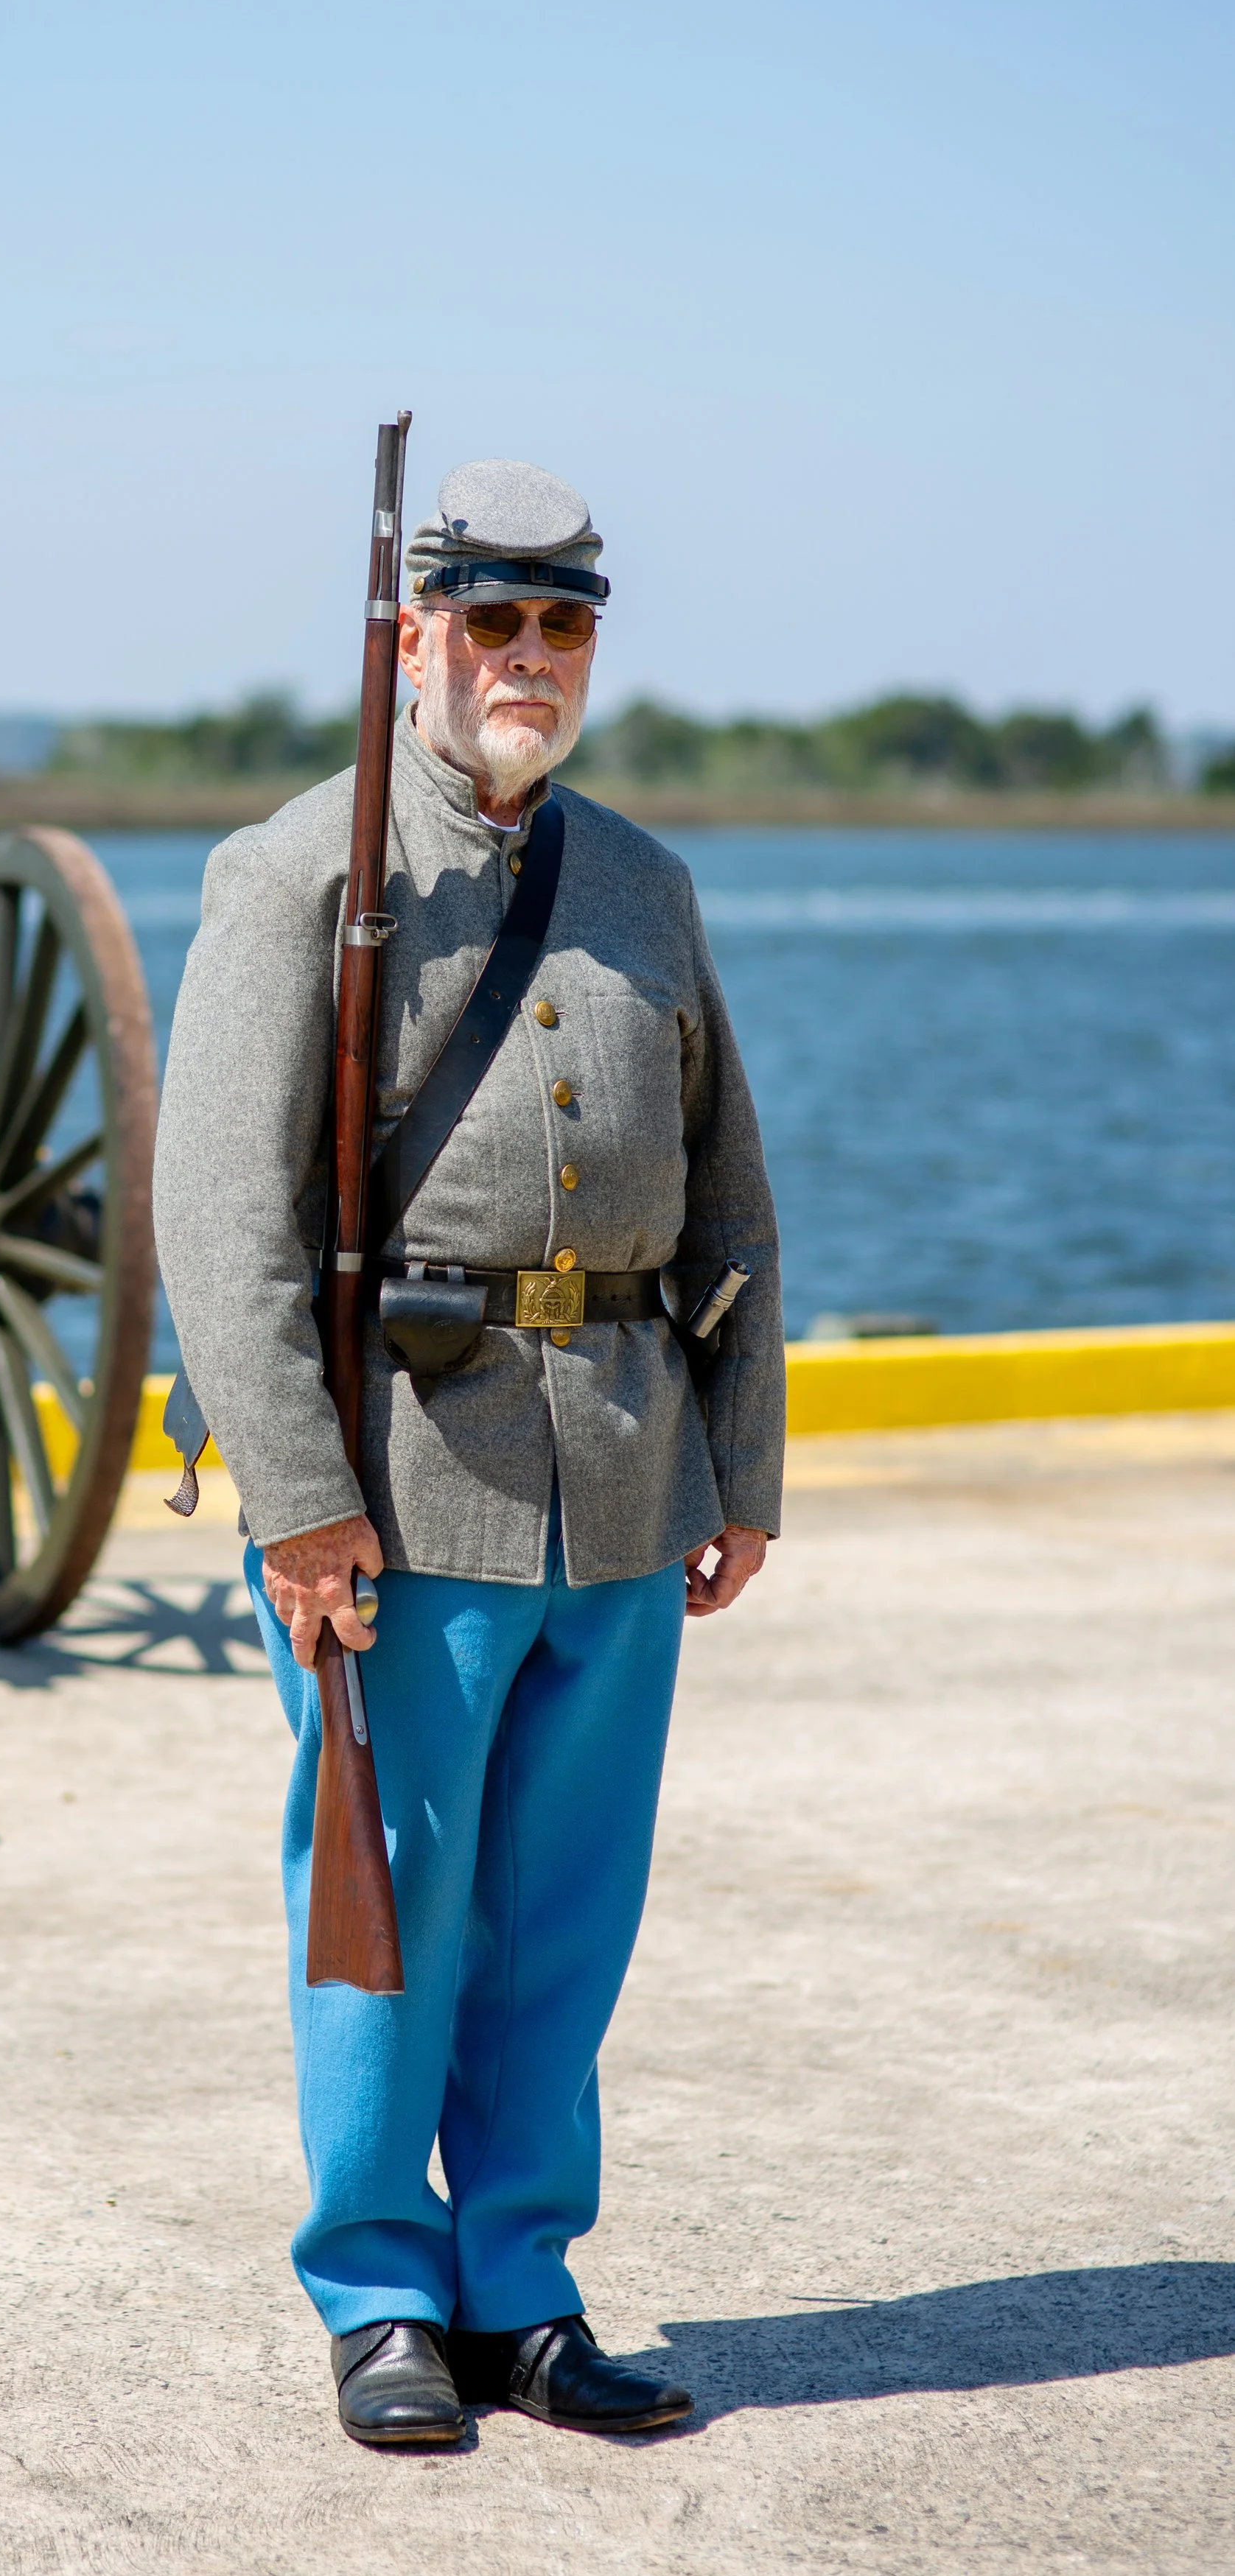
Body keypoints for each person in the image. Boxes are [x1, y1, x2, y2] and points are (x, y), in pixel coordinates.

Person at [152, 460, 783, 2449]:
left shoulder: (639, 885)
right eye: (489, 619)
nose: (526, 658)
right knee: (389, 1901)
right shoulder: (295, 874)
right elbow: (217, 1219)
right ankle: (373, 2286)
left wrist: (739, 1466)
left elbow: (730, 1204)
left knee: (564, 1912)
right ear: (414, 634)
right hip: (395, 1486)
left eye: (561, 623)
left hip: (617, 1469)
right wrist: (295, 1495)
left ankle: (517, 2281)